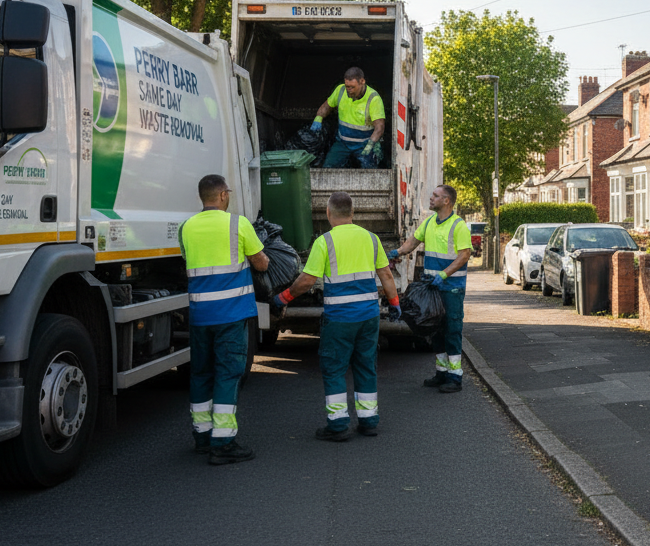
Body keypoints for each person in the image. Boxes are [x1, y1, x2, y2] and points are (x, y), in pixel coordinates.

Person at [271, 192, 401, 440]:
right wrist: (394, 303)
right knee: (365, 366)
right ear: (353, 213)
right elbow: (385, 275)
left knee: (334, 369)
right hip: (369, 316)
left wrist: (283, 297)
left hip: (340, 318)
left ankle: (338, 425)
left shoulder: (324, 242)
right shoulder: (372, 239)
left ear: (328, 213)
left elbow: (308, 280)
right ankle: (369, 421)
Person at [180, 174, 269, 466]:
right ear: (221, 196)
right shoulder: (238, 224)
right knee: (228, 375)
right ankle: (224, 442)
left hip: (200, 315)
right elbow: (261, 262)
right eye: (227, 193)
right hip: (231, 314)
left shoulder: (186, 228)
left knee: (201, 374)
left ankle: (202, 437)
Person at [387, 185, 472, 393]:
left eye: (436, 196)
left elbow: (464, 255)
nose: (431, 198)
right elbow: (412, 243)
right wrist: (395, 252)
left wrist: (444, 274)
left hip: (451, 288)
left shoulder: (458, 226)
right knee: (435, 328)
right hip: (432, 287)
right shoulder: (429, 223)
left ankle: (455, 376)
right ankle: (441, 372)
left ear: (447, 201)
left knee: (452, 330)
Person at [311, 67, 386, 168]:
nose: (349, 90)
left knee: (370, 172)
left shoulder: (373, 99)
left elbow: (379, 127)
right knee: (328, 168)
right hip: (343, 144)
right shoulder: (340, 90)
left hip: (363, 145)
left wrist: (370, 145)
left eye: (352, 87)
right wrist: (318, 118)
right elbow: (326, 106)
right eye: (347, 86)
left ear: (362, 81)